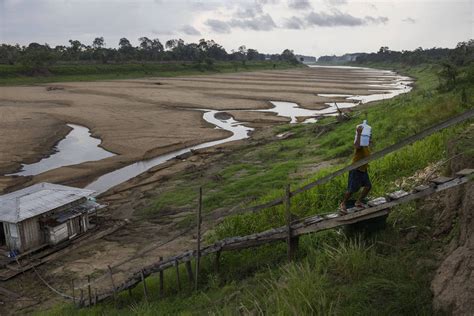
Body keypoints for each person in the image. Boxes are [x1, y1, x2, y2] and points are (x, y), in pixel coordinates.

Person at [339, 124, 372, 213]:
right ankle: (343, 204)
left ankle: (358, 202)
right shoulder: (360, 145)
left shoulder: (366, 146)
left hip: (363, 170)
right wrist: (358, 133)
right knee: (351, 190)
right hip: (356, 169)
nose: (370, 138)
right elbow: (356, 145)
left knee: (368, 186)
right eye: (369, 136)